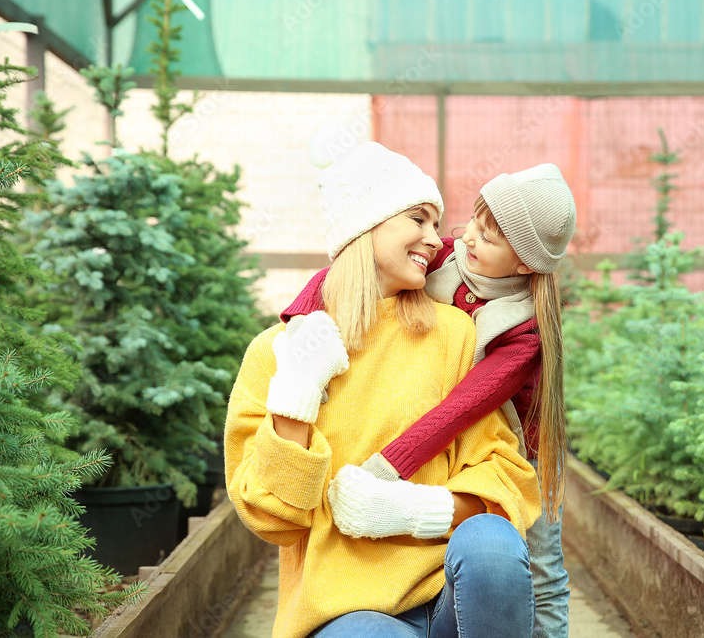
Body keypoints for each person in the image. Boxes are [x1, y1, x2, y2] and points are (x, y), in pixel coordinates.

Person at [225, 142, 542, 638]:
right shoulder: (277, 352)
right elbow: (273, 520)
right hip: (345, 612)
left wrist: (414, 511)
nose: (437, 241)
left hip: (449, 599)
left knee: (491, 544)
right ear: (365, 224)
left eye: (436, 225)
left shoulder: (454, 334)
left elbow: (505, 476)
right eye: (418, 219)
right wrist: (296, 392)